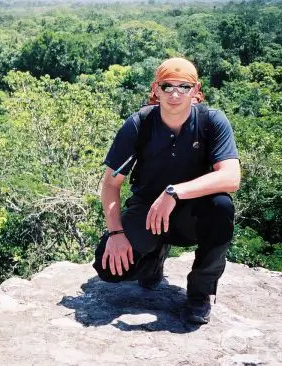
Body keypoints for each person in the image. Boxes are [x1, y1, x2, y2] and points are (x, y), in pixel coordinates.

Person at [92, 57, 241, 324]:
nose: (175, 94)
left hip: (193, 215)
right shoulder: (140, 125)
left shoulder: (211, 122)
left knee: (222, 207)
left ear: (196, 90)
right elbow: (111, 183)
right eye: (167, 86)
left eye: (184, 87)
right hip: (148, 212)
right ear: (155, 89)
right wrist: (116, 233)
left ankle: (200, 293)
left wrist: (174, 192)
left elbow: (231, 177)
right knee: (108, 270)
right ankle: (153, 258)